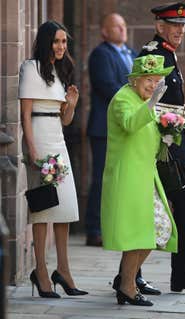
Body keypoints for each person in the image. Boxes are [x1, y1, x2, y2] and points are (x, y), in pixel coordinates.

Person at [135, 2, 185, 293]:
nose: (180, 30)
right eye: (174, 25)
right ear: (160, 27)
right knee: (174, 203)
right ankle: (141, 277)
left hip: (172, 140)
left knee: (176, 204)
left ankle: (170, 276)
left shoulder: (166, 53)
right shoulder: (153, 54)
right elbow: (142, 98)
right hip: (159, 143)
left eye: (183, 26)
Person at [101, 54, 178, 306]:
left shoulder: (146, 99)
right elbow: (130, 124)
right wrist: (151, 106)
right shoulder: (124, 98)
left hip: (146, 176)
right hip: (128, 178)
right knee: (141, 233)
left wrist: (169, 134)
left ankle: (126, 280)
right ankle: (127, 285)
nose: (153, 85)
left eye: (157, 81)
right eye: (148, 79)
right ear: (134, 80)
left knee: (159, 230)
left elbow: (149, 134)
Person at [18, 21, 88, 298]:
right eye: (57, 41)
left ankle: (64, 270)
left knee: (66, 209)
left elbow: (65, 120)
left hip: (58, 141)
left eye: (64, 42)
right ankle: (41, 272)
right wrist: (32, 149)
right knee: (44, 208)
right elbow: (25, 116)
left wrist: (70, 104)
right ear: (46, 41)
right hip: (39, 141)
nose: (61, 47)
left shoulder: (61, 71)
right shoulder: (31, 68)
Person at [86, 13, 137, 247]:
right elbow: (108, 86)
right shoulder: (100, 54)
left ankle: (117, 227)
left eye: (123, 25)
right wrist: (137, 100)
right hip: (104, 128)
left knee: (123, 180)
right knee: (101, 179)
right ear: (104, 31)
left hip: (127, 127)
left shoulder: (134, 55)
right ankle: (94, 229)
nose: (121, 29)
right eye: (116, 26)